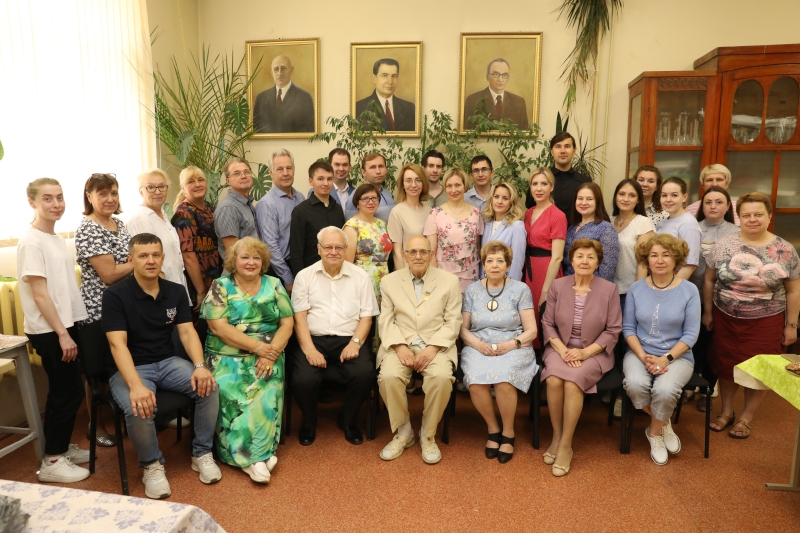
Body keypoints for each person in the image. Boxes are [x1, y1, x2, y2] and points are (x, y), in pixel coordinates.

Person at [103, 233, 221, 499]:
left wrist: (200, 366)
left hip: (167, 362)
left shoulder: (175, 291)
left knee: (209, 386)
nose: (151, 260)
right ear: (131, 260)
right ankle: (152, 465)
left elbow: (187, 332)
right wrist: (135, 386)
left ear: (163, 258)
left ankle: (202, 453)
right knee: (139, 406)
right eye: (143, 256)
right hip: (131, 367)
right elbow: (117, 345)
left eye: (156, 255)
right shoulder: (115, 296)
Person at [703, 192, 800, 439]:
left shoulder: (785, 250)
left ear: (769, 216)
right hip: (726, 318)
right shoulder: (724, 245)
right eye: (746, 215)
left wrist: (791, 325)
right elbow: (709, 280)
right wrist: (708, 312)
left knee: (760, 370)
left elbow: (793, 290)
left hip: (767, 321)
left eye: (758, 214)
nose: (752, 219)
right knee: (727, 366)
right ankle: (726, 412)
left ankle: (746, 417)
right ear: (739, 217)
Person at [201, 237, 293, 484]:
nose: (251, 262)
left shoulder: (274, 284)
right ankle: (256, 458)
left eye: (256, 258)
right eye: (245, 257)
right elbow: (218, 327)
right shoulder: (220, 286)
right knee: (234, 395)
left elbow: (287, 323)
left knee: (265, 387)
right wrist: (259, 348)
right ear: (234, 261)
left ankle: (256, 458)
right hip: (226, 357)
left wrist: (271, 353)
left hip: (269, 355)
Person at [18, 178, 91, 483]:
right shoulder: (31, 241)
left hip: (66, 323)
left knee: (67, 389)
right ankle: (52, 461)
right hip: (50, 329)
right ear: (32, 203)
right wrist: (62, 334)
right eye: (47, 198)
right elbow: (39, 294)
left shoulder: (55, 238)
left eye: (59, 197)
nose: (56, 204)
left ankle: (59, 447)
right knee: (67, 391)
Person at [376, 236, 462, 464]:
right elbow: (385, 320)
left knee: (441, 377)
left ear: (431, 255)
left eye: (423, 252)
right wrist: (400, 347)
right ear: (404, 256)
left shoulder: (449, 281)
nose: (418, 256)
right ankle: (404, 431)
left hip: (436, 343)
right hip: (400, 342)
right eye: (412, 252)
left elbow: (453, 320)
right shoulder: (389, 281)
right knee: (388, 376)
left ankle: (428, 434)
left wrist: (433, 347)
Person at [540, 239, 622, 476]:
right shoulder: (558, 286)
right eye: (579, 256)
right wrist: (562, 350)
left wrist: (584, 352)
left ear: (598, 263)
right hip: (560, 348)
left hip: (594, 353)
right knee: (553, 380)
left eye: (590, 257)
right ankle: (556, 437)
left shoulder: (609, 290)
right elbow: (547, 323)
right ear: (571, 260)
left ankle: (566, 445)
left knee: (572, 382)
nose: (584, 261)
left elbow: (613, 330)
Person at [291, 227, 379, 446]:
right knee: (303, 380)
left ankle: (347, 420)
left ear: (346, 249)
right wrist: (310, 350)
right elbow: (299, 318)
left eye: (339, 247)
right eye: (328, 247)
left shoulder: (360, 276)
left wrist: (355, 343)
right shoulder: (304, 276)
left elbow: (367, 317)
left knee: (364, 374)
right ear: (318, 249)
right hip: (313, 338)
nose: (333, 251)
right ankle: (309, 422)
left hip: (349, 338)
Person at [622, 234, 700, 466]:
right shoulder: (636, 289)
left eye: (666, 255)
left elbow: (691, 335)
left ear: (676, 259)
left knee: (665, 391)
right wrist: (642, 356)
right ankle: (664, 422)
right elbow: (628, 329)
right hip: (641, 352)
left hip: (677, 356)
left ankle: (654, 433)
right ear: (646, 259)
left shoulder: (689, 290)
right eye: (654, 255)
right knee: (635, 385)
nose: (659, 260)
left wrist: (666, 358)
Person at [460, 242, 538, 464]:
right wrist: (478, 345)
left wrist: (511, 344)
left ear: (508, 265)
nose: (494, 265)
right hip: (479, 344)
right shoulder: (473, 290)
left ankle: (509, 432)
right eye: (490, 261)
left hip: (514, 345)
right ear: (483, 265)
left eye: (500, 261)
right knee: (475, 380)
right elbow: (463, 329)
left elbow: (532, 331)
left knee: (504, 379)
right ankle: (493, 429)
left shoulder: (520, 289)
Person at [75, 173, 134, 448]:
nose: (110, 199)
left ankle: (129, 418)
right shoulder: (88, 228)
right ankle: (95, 425)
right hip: (97, 310)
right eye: (102, 194)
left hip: (123, 306)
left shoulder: (119, 224)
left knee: (122, 363)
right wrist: (138, 262)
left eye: (114, 193)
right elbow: (109, 275)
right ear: (89, 197)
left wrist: (134, 261)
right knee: (96, 374)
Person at [689, 186, 738, 412]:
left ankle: (707, 389)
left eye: (719, 202)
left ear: (727, 206)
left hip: (722, 299)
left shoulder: (736, 232)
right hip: (692, 295)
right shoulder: (692, 228)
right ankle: (689, 386)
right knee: (693, 343)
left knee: (714, 346)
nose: (713, 206)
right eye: (708, 202)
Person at [523, 167, 567, 347]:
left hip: (548, 269)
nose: (539, 188)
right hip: (529, 270)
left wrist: (546, 289)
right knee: (528, 313)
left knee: (545, 312)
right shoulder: (528, 213)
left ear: (551, 187)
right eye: (535, 184)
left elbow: (557, 257)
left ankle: (547, 354)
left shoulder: (557, 215)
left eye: (544, 184)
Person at [127, 169, 188, 295]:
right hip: (161, 292)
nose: (158, 192)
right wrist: (163, 297)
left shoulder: (163, 214)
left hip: (176, 286)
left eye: (162, 186)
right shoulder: (141, 219)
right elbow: (149, 263)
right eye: (151, 187)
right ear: (141, 191)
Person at [171, 166, 222, 315]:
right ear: (183, 188)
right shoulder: (184, 213)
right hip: (197, 280)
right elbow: (188, 256)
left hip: (214, 275)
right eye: (191, 181)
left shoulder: (208, 207)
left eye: (201, 180)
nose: (197, 184)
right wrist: (200, 291)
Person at [424, 168, 484, 293]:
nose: (453, 190)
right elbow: (431, 253)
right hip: (444, 276)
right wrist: (435, 280)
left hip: (471, 276)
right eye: (449, 186)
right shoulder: (435, 214)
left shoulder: (476, 213)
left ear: (464, 185)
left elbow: (478, 248)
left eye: (457, 185)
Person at [255, 149, 305, 292]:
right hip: (279, 272)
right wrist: (288, 279)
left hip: (300, 266)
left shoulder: (300, 198)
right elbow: (270, 245)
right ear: (271, 173)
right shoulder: (267, 204)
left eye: (289, 168)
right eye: (280, 169)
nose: (285, 173)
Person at [290, 161, 346, 275]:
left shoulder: (338, 209)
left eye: (329, 179)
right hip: (311, 275)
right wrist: (300, 279)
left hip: (337, 272)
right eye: (320, 179)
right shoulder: (301, 211)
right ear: (311, 181)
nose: (326, 183)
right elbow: (296, 252)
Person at [344, 184, 393, 302]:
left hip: (385, 278)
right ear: (357, 203)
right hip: (363, 281)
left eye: (374, 198)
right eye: (365, 198)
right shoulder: (351, 227)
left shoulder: (382, 224)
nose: (370, 202)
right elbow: (347, 263)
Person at [563, 182, 619, 282]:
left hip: (591, 286)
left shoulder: (606, 228)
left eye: (589, 199)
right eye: (580, 198)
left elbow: (607, 270)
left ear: (597, 202)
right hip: (568, 283)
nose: (584, 203)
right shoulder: (572, 227)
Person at [525, 132, 591, 216]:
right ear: (551, 151)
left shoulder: (584, 182)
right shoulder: (539, 180)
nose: (562, 151)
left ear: (574, 151)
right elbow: (531, 207)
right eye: (558, 146)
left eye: (567, 146)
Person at [214, 157, 260, 268]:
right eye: (236, 173)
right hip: (239, 274)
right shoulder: (228, 208)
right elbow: (232, 253)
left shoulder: (246, 204)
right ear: (228, 181)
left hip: (252, 270)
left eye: (246, 172)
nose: (243, 176)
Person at [253, 55, 315, 134]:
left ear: (291, 70)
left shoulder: (304, 98)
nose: (280, 73)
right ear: (272, 72)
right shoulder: (261, 98)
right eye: (276, 69)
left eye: (284, 68)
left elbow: (310, 131)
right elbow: (255, 130)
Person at [656, 177, 702, 280]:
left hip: (674, 283)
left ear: (684, 197)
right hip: (659, 280)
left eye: (674, 195)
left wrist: (671, 286)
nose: (668, 200)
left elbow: (690, 265)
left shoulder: (688, 224)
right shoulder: (661, 223)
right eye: (664, 195)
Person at [463, 58, 529, 129]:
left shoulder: (519, 102)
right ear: (487, 77)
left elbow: (524, 133)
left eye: (504, 75)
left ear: (508, 78)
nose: (500, 80)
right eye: (496, 74)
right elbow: (467, 131)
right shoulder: (472, 100)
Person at [388, 163, 432, 270]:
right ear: (403, 185)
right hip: (408, 271)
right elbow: (397, 253)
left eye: (418, 180)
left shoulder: (430, 211)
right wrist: (403, 277)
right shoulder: (397, 212)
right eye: (408, 180)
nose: (413, 185)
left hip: (427, 270)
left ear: (423, 183)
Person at [480, 182, 526, 281]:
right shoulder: (486, 223)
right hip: (485, 282)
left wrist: (511, 287)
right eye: (496, 197)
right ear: (491, 199)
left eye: (505, 198)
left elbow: (517, 263)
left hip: (505, 283)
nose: (499, 201)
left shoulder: (517, 226)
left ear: (511, 202)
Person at [355, 58, 416, 131]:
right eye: (384, 75)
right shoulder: (358, 108)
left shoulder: (409, 108)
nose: (390, 82)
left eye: (394, 76)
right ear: (374, 78)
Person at [345, 153, 396, 221]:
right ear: (364, 172)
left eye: (381, 166)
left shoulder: (387, 193)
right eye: (372, 167)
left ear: (386, 169)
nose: (378, 171)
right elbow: (351, 223)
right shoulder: (357, 195)